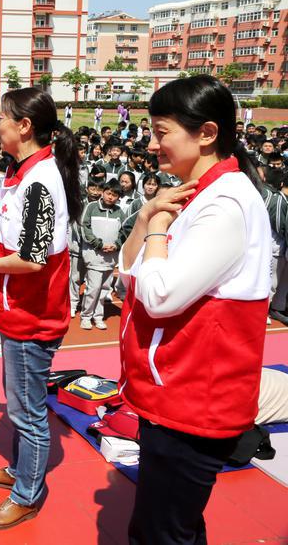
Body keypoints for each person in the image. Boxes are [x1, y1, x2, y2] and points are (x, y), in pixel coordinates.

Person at [119, 76, 270, 543]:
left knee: (161, 532)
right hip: (171, 392)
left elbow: (159, 294)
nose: (151, 143)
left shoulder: (224, 203)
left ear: (206, 133)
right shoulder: (191, 194)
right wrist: (147, 218)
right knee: (169, 527)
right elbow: (127, 272)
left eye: (161, 131)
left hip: (194, 400)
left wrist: (159, 227)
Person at [0, 87, 83, 529]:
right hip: (11, 307)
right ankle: (20, 471)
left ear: (24, 125)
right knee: (19, 403)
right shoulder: (17, 173)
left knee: (28, 412)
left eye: (1, 118)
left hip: (32, 314)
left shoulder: (42, 180)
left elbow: (34, 256)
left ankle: (27, 493)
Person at [79, 179, 124, 330]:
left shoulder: (119, 212)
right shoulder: (91, 207)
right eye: (108, 193)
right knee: (93, 288)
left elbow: (124, 232)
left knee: (105, 288)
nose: (111, 197)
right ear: (102, 192)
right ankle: (86, 316)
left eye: (115, 195)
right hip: (94, 256)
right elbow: (84, 227)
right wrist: (99, 244)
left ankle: (98, 317)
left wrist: (116, 245)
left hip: (110, 259)